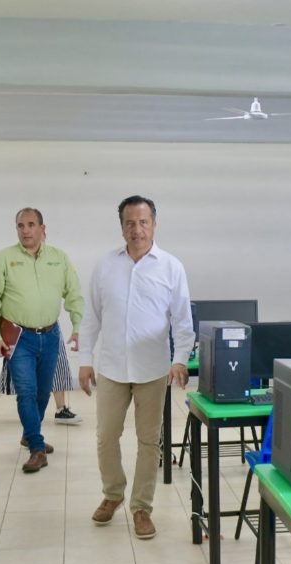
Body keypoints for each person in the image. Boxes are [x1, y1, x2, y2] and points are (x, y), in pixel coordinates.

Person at [78, 195, 195, 539]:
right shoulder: (105, 265)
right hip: (111, 367)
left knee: (148, 441)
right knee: (106, 436)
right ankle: (113, 493)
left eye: (143, 222)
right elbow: (91, 318)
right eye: (130, 223)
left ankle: (141, 507)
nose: (137, 229)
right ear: (121, 227)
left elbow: (182, 321)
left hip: (152, 369)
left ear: (154, 225)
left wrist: (180, 359)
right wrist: (85, 361)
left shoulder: (171, 267)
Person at [0, 207, 83, 473]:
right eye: (20, 225)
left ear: (42, 229)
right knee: (26, 392)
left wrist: (77, 326)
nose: (25, 230)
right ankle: (37, 448)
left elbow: (74, 294)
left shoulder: (59, 258)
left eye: (30, 225)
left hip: (50, 336)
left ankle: (30, 434)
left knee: (42, 392)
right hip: (19, 339)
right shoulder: (3, 259)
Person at [0, 337, 83, 428]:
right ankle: (31, 412)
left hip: (51, 331)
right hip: (24, 332)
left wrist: (76, 329)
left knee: (57, 363)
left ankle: (60, 409)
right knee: (26, 372)